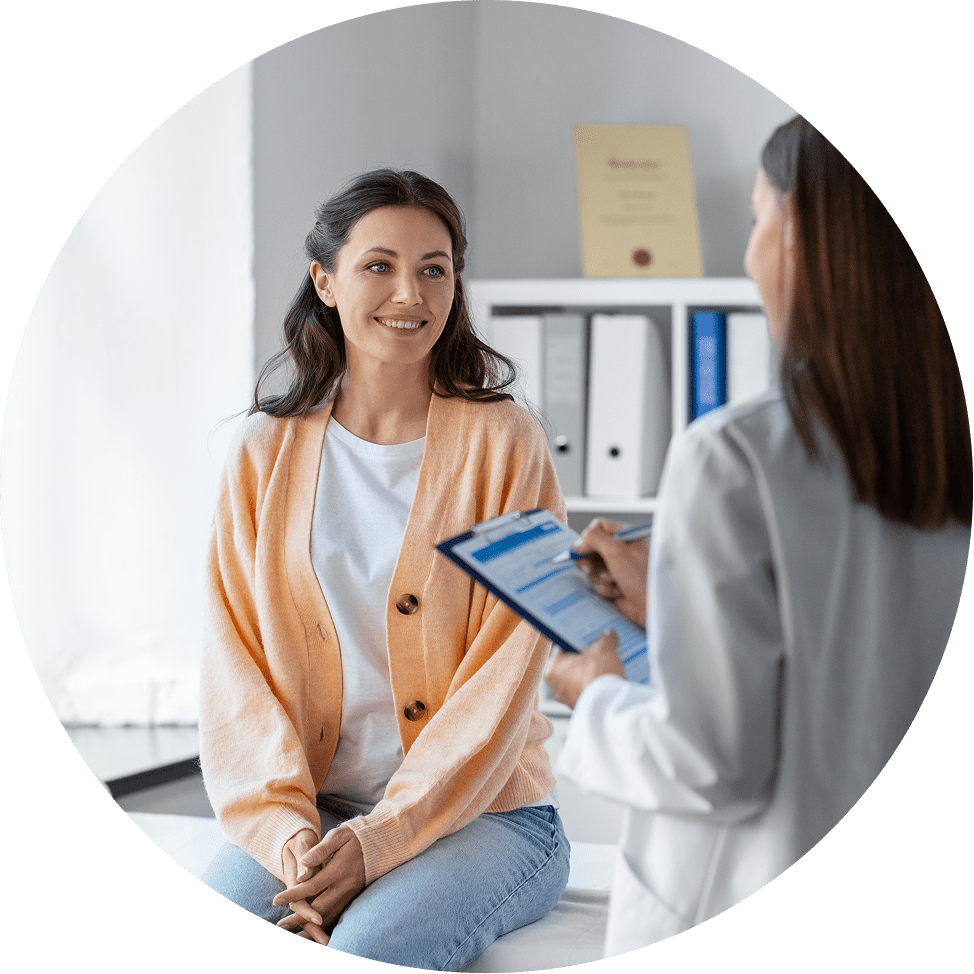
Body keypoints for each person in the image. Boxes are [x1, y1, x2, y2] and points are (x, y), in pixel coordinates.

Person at [544, 116, 971, 956]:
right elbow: (861, 668)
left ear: (805, 237)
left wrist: (592, 695)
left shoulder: (733, 455)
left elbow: (709, 761)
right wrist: (671, 606)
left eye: (755, 219)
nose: (749, 256)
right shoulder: (945, 449)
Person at [200, 169, 569, 971]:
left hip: (491, 818)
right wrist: (290, 836)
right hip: (314, 812)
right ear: (325, 282)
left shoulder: (508, 444)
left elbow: (506, 675)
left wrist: (382, 841)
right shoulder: (263, 452)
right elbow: (236, 671)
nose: (411, 292)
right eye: (379, 265)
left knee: (369, 946)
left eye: (434, 268)